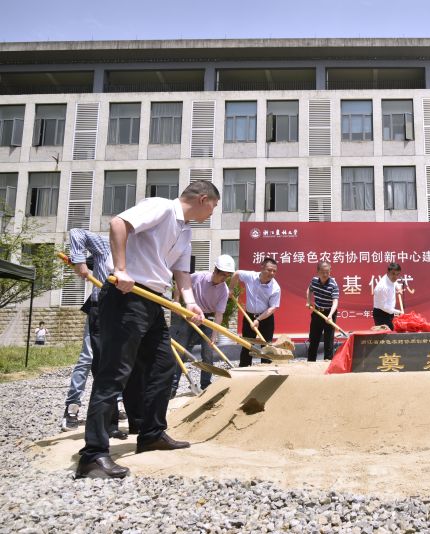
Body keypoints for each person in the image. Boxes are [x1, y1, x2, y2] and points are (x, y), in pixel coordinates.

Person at [76, 180, 219, 479]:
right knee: (115, 372)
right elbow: (118, 224)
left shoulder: (185, 230)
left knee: (163, 366)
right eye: (213, 206)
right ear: (203, 199)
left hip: (154, 300)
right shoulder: (162, 207)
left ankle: (151, 433)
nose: (212, 213)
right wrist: (121, 268)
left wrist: (191, 303)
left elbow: (181, 271)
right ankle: (93, 455)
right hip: (127, 295)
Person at [61, 228, 125, 440]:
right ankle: (72, 407)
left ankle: (113, 413)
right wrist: (79, 262)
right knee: (88, 358)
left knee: (117, 361)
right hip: (99, 309)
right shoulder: (105, 244)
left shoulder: (140, 251)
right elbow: (77, 234)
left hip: (123, 313)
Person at [170, 254, 235, 395]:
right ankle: (172, 387)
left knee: (208, 353)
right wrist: (176, 300)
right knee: (181, 351)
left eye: (227, 275)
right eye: (223, 274)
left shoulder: (223, 291)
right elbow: (179, 283)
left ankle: (205, 386)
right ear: (215, 270)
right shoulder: (198, 277)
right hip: (190, 316)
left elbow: (219, 314)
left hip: (207, 320)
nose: (224, 278)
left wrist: (214, 335)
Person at [230, 257, 281, 367]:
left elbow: (273, 308)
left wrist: (258, 319)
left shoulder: (275, 288)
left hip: (266, 319)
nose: (272, 273)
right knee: (247, 345)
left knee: (266, 346)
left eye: (274, 271)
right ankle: (244, 369)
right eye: (269, 270)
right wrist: (231, 289)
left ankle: (266, 370)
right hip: (249, 316)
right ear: (262, 267)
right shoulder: (251, 276)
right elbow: (236, 274)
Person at [305, 261, 340, 361]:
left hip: (329, 313)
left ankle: (328, 361)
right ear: (318, 272)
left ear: (330, 271)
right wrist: (308, 301)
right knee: (314, 338)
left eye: (327, 272)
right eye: (322, 272)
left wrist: (330, 315)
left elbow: (335, 302)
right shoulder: (314, 280)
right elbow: (309, 289)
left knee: (328, 340)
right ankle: (311, 361)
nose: (325, 274)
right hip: (317, 312)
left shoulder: (333, 285)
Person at [372, 262, 403, 330]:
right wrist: (398, 312)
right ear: (388, 272)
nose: (395, 277)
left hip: (389, 312)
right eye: (393, 274)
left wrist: (399, 288)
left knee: (391, 332)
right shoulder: (382, 287)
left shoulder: (390, 279)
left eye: (397, 274)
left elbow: (395, 282)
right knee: (384, 335)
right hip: (381, 314)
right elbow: (384, 306)